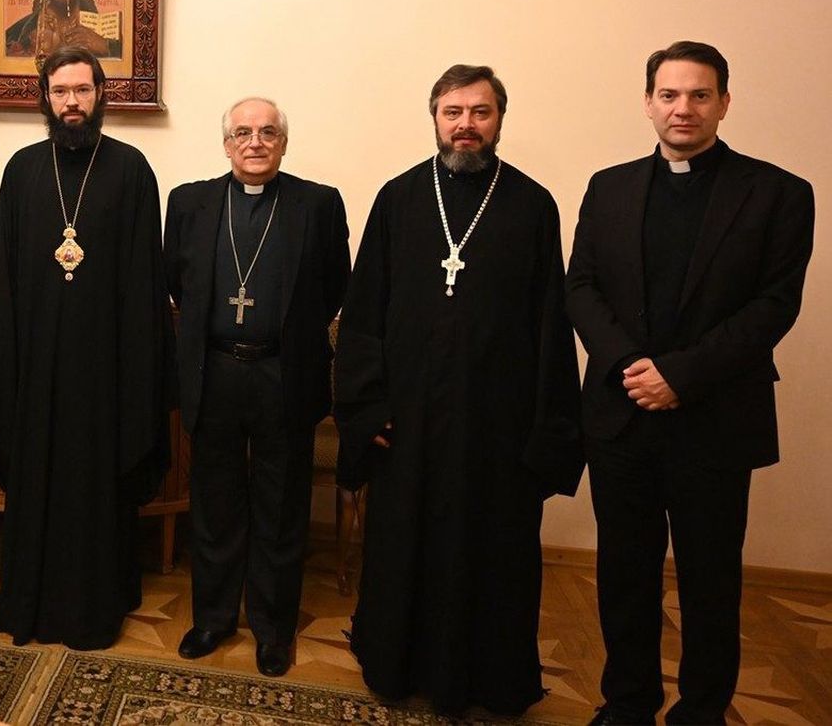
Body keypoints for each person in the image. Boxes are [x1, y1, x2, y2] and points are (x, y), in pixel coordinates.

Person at [566, 42, 814, 725]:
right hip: (622, 416)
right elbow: (581, 286)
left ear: (724, 103)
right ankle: (627, 702)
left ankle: (702, 711)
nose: (684, 108)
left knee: (710, 581)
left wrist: (679, 376)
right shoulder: (608, 186)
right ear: (648, 102)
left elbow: (773, 306)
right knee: (624, 574)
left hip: (714, 419)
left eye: (700, 95)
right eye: (670, 95)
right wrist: (626, 367)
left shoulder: (780, 193)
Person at [334, 64, 582, 715]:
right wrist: (366, 408)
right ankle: (395, 667)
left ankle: (490, 681)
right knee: (402, 548)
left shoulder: (532, 205)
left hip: (494, 428)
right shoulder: (399, 198)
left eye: (480, 112)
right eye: (453, 112)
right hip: (407, 423)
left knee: (491, 557)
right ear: (434, 117)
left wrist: (545, 430)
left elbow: (550, 325)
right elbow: (364, 314)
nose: (465, 125)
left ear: (500, 118)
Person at [0, 46, 172, 650]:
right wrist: (6, 361)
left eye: (83, 90)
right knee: (36, 478)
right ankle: (29, 599)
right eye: (61, 92)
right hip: (35, 369)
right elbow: (0, 276)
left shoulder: (131, 169)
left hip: (104, 372)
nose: (72, 102)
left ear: (100, 95)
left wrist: (135, 371)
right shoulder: (24, 169)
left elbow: (142, 283)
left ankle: (96, 606)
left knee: (99, 487)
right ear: (45, 98)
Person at [163, 97, 350, 677]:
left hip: (283, 373)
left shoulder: (317, 204)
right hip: (213, 370)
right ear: (225, 144)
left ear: (284, 142)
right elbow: (176, 282)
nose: (255, 142)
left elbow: (335, 285)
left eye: (268, 132)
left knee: (281, 504)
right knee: (214, 502)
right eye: (242, 132)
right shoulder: (190, 202)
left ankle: (273, 629)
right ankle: (213, 619)